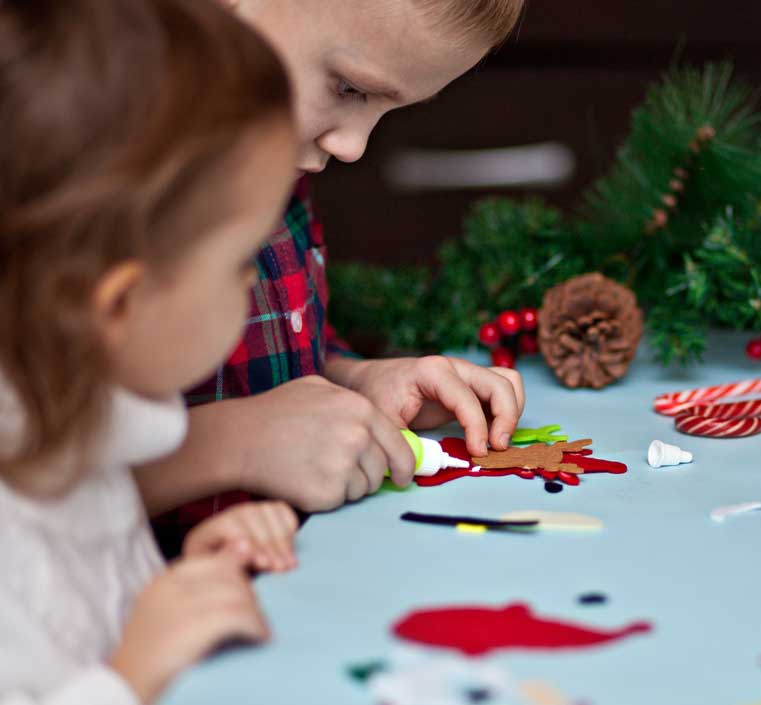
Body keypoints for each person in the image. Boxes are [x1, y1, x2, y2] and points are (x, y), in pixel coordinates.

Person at [139, 0, 530, 552]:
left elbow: (266, 348)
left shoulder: (273, 150)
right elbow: (33, 483)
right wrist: (231, 444)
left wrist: (355, 380)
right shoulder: (73, 181)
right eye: (349, 88)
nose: (352, 147)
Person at [0, 0, 303, 701]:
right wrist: (129, 678)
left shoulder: (79, 436)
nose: (254, 282)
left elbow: (87, 627)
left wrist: (176, 590)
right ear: (119, 306)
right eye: (241, 259)